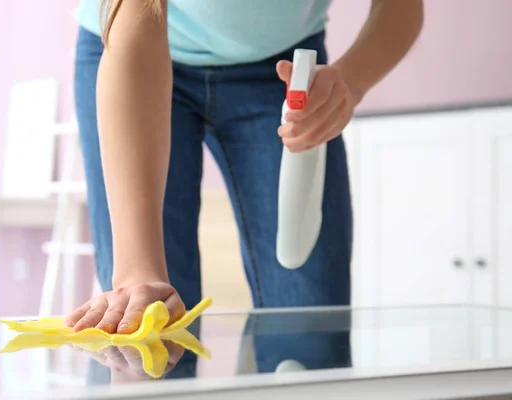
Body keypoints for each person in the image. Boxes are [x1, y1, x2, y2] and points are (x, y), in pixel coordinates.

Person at [67, 0, 424, 334]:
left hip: (283, 65)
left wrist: (348, 84)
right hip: (137, 45)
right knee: (148, 318)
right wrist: (135, 272)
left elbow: (401, 8)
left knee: (308, 324)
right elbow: (137, 23)